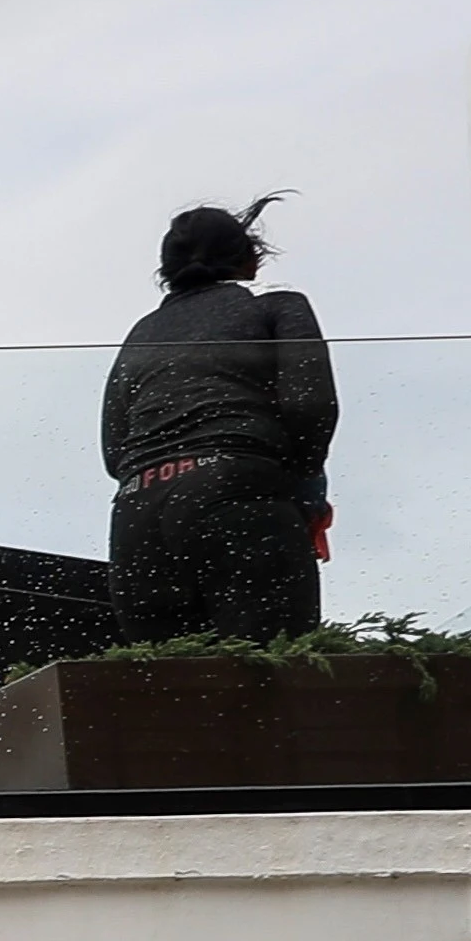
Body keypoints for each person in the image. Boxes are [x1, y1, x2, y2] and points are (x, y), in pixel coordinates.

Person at [99, 199, 340, 642]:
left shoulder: (139, 337)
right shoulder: (279, 308)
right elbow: (310, 408)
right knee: (278, 682)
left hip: (136, 517)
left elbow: (115, 452)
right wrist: (295, 484)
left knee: (170, 694)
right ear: (251, 260)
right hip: (237, 495)